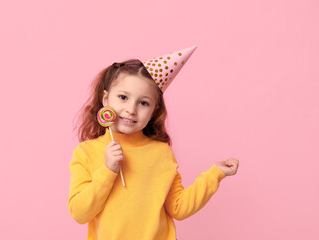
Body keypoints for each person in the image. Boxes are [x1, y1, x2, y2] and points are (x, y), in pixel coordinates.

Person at [68, 46, 239, 240]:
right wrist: (108, 170)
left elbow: (179, 208)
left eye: (143, 103)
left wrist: (215, 174)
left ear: (153, 110)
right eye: (123, 97)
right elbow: (79, 213)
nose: (131, 109)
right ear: (106, 99)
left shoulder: (161, 153)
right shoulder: (86, 152)